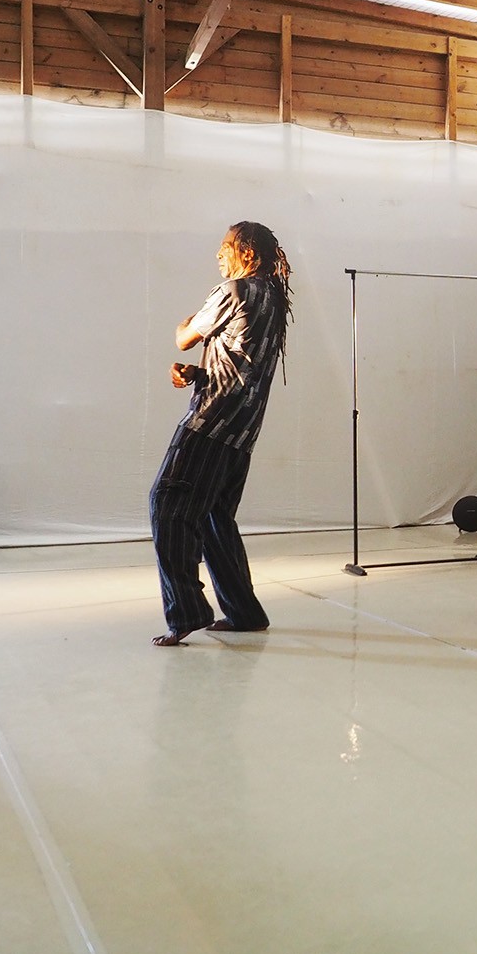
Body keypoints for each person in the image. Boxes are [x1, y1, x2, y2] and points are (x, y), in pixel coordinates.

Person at [150, 221, 292, 647]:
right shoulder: (275, 299)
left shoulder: (234, 291)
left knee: (167, 506)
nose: (218, 254)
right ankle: (244, 612)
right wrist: (198, 373)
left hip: (209, 426)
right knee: (214, 519)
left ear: (247, 254)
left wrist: (189, 323)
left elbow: (182, 337)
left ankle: (187, 612)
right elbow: (240, 364)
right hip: (241, 434)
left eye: (226, 247)